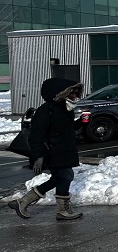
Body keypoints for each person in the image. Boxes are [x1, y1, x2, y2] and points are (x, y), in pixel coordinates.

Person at [8, 78, 84, 220]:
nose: (74, 96)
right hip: (53, 152)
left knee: (59, 178)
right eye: (71, 93)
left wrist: (82, 123)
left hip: (64, 151)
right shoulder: (45, 111)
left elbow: (66, 130)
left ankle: (22, 202)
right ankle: (62, 210)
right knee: (65, 176)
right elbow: (36, 136)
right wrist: (39, 156)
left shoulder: (65, 109)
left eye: (75, 93)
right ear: (60, 94)